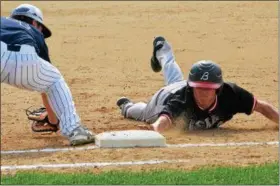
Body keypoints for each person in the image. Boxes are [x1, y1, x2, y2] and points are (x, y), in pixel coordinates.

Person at [116, 36, 279, 132]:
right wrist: (154, 128)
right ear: (191, 86)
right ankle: (127, 106)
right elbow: (164, 119)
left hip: (179, 86)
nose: (203, 93)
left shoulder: (232, 94)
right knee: (145, 113)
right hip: (163, 99)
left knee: (175, 80)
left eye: (208, 89)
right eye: (199, 88)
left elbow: (261, 106)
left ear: (218, 89)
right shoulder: (180, 100)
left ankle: (162, 50)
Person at [1, 4, 95, 146]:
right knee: (54, 80)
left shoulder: (3, 21)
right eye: (41, 28)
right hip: (23, 56)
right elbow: (46, 87)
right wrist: (53, 120)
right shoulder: (33, 31)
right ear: (34, 22)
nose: (41, 32)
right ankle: (75, 130)